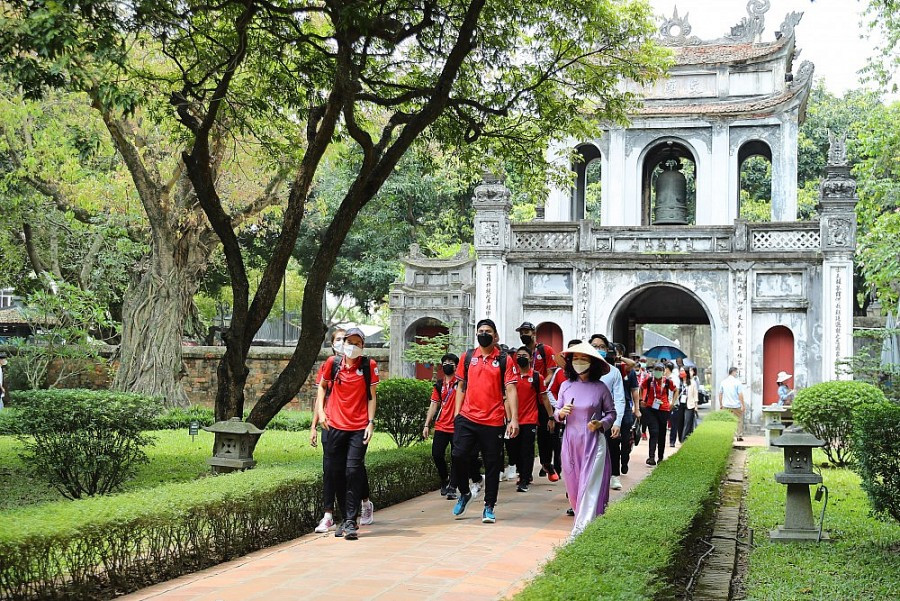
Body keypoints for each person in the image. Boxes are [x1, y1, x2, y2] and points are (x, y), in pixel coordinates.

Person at [451, 318, 518, 524]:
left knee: (492, 464)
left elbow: (510, 389)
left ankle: (489, 506)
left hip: (493, 420)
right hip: (467, 417)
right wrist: (457, 414)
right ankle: (465, 492)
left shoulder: (505, 360)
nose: (484, 333)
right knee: (458, 455)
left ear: (495, 336)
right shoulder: (468, 357)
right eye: (481, 330)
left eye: (488, 331)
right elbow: (461, 387)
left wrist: (513, 419)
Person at [316, 327, 379, 541]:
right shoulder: (332, 364)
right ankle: (344, 518)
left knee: (353, 471)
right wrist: (321, 414)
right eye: (349, 342)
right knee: (337, 473)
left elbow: (372, 397)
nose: (352, 346)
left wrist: (370, 423)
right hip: (335, 426)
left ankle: (351, 521)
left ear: (362, 346)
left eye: (357, 343)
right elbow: (322, 388)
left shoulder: (368, 366)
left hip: (358, 427)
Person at [554, 341, 616, 536]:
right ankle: (583, 521)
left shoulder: (601, 388)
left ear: (593, 363)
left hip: (593, 443)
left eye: (584, 359)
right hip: (570, 442)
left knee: (589, 485)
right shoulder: (565, 385)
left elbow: (611, 413)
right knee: (573, 486)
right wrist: (561, 413)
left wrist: (601, 424)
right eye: (576, 358)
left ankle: (582, 529)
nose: (579, 362)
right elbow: (557, 412)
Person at [422, 353, 483, 500]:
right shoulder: (439, 384)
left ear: (457, 366)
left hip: (458, 426)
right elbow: (434, 404)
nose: (447, 364)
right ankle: (445, 479)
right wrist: (426, 424)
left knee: (456, 457)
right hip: (442, 426)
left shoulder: (462, 383)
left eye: (451, 362)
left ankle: (452, 487)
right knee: (437, 454)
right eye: (445, 362)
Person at [515, 321, 560, 483]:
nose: (523, 335)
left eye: (526, 331)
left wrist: (540, 384)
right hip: (525, 401)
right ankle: (524, 473)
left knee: (545, 435)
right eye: (521, 332)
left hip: (541, 397)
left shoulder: (545, 350)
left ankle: (547, 464)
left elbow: (550, 373)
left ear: (534, 332)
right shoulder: (520, 354)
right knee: (522, 438)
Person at [510, 347, 555, 492]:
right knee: (514, 450)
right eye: (519, 355)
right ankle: (521, 472)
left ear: (530, 359)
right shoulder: (511, 376)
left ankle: (525, 479)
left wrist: (550, 417)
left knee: (527, 450)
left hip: (530, 419)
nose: (521, 357)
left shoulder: (537, 377)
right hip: (514, 419)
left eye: (524, 355)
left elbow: (544, 397)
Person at [588, 334, 627, 491]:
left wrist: (617, 421)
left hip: (607, 417)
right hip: (587, 418)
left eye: (602, 347)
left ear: (607, 349)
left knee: (612, 446)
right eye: (595, 346)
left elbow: (619, 398)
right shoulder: (582, 369)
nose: (598, 349)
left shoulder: (613, 372)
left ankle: (614, 476)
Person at [641, 362, 676, 465]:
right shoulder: (649, 381)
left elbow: (676, 390)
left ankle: (660, 457)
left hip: (664, 410)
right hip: (651, 409)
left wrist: (672, 403)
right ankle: (651, 457)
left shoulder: (667, 382)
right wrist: (641, 400)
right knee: (654, 432)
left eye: (660, 370)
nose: (658, 372)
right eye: (656, 369)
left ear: (663, 371)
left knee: (662, 434)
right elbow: (641, 387)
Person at [718, 366, 745, 441]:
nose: (737, 374)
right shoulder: (737, 382)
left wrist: (721, 404)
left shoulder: (723, 382)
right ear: (733, 372)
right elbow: (740, 394)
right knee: (738, 420)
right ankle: (739, 436)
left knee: (728, 420)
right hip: (736, 405)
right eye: (736, 372)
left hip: (726, 405)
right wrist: (742, 405)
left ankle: (729, 436)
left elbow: (720, 394)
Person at [670, 368, 689, 447]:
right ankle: (676, 439)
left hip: (688, 403)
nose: (681, 372)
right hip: (679, 403)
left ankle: (684, 438)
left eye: (683, 371)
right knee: (677, 422)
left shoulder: (689, 382)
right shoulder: (678, 381)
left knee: (686, 421)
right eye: (680, 371)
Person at [681, 368, 699, 439]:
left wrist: (696, 405)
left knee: (688, 422)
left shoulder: (693, 382)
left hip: (690, 404)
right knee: (683, 422)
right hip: (681, 404)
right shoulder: (682, 382)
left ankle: (684, 438)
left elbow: (695, 394)